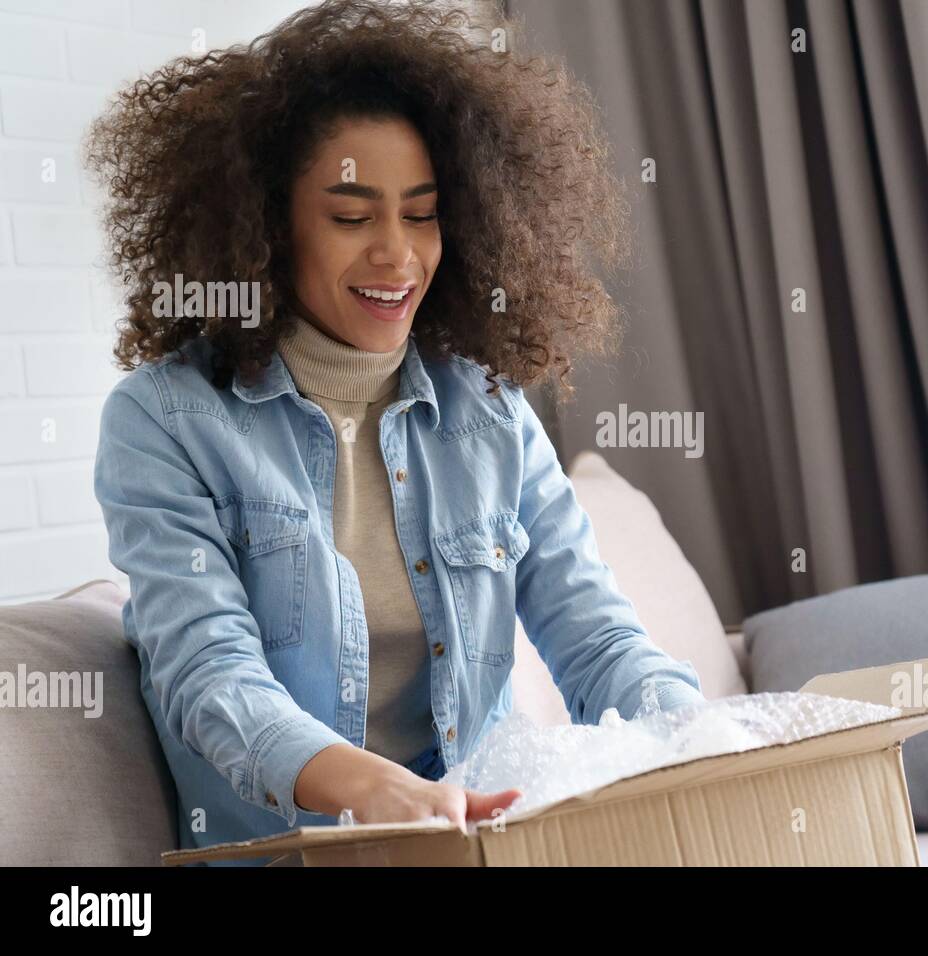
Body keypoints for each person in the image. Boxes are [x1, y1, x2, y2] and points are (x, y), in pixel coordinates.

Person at [86, 0, 705, 863]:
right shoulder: (167, 421)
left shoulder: (487, 408)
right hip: (296, 853)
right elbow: (209, 677)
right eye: (351, 217)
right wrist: (372, 785)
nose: (398, 255)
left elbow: (595, 636)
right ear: (266, 228)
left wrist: (707, 737)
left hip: (485, 839)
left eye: (422, 213)